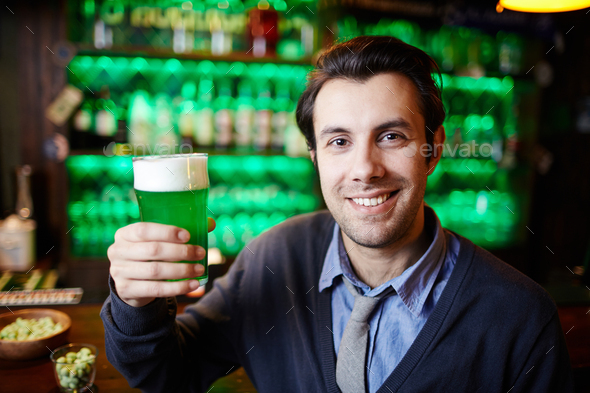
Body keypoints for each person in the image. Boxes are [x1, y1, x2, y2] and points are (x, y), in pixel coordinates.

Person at [101, 36, 574, 393]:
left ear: (433, 150)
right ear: (315, 159)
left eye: (391, 136)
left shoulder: (519, 316)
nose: (364, 169)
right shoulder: (274, 257)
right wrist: (135, 304)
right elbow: (165, 374)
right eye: (339, 142)